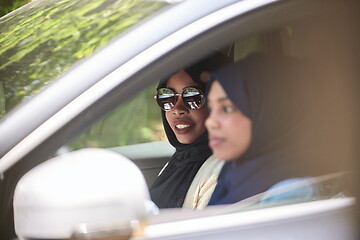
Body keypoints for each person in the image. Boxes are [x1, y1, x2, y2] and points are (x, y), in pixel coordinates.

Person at [205, 53, 343, 205]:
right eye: (211, 109)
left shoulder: (289, 192)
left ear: (272, 112)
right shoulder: (234, 172)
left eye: (227, 109)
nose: (210, 122)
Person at [149, 52, 231, 209]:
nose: (177, 109)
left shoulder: (220, 172)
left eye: (193, 96)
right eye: (167, 97)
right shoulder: (181, 159)